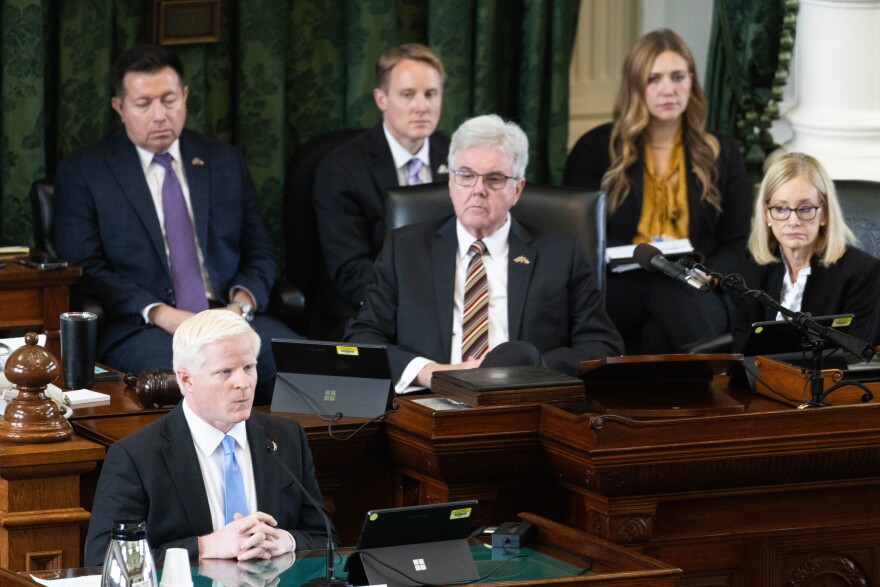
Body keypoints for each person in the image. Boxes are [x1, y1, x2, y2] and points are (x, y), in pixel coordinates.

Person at [53, 45, 298, 404]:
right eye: (143, 104)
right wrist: (164, 314)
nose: (159, 115)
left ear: (184, 96)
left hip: (230, 316)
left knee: (309, 370)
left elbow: (259, 250)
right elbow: (86, 267)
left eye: (169, 100)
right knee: (200, 378)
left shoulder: (223, 161)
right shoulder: (87, 172)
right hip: (145, 326)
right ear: (119, 108)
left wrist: (241, 306)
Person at [345, 114, 623, 391]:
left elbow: (602, 345)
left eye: (494, 179)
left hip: (527, 406)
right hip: (428, 405)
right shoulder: (405, 250)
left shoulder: (561, 254)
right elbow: (361, 339)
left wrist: (531, 371)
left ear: (518, 189)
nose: (478, 190)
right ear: (451, 182)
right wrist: (429, 372)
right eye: (466, 175)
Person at [84, 310, 336, 566]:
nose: (243, 382)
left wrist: (285, 542)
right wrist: (206, 546)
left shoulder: (286, 437)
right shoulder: (136, 456)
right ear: (186, 379)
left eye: (249, 367)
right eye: (225, 372)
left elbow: (325, 538)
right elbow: (103, 559)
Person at [563, 29, 752, 354]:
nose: (669, 89)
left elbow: (738, 240)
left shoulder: (721, 151)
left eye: (678, 76)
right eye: (654, 79)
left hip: (697, 285)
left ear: (692, 81)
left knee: (659, 330)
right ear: (635, 86)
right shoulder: (596, 149)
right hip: (618, 288)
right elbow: (575, 241)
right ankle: (727, 381)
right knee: (663, 285)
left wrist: (709, 274)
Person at [314, 43, 449, 337]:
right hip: (374, 311)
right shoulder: (342, 169)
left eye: (431, 94)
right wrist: (423, 297)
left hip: (452, 307)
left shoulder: (457, 159)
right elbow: (350, 272)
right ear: (381, 98)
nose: (421, 106)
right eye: (407, 95)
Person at [729, 152, 880, 351]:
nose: (793, 221)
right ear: (767, 214)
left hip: (831, 380)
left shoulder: (862, 273)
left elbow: (857, 356)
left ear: (824, 213)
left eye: (805, 208)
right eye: (781, 209)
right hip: (759, 380)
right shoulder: (748, 272)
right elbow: (742, 354)